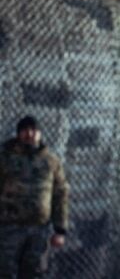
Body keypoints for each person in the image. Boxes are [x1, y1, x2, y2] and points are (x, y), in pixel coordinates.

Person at [0, 116, 69, 279]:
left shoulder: (51, 161)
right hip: (8, 228)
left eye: (34, 130)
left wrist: (60, 230)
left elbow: (60, 194)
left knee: (34, 272)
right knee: (4, 271)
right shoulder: (4, 158)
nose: (29, 134)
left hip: (39, 229)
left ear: (40, 133)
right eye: (24, 130)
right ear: (18, 133)